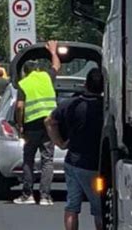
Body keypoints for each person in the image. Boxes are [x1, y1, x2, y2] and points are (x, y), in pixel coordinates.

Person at [44, 68, 104, 230]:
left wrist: (60, 143)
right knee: (100, 209)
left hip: (72, 162)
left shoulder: (70, 104)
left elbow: (49, 121)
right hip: (94, 166)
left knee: (72, 205)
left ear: (85, 85)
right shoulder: (105, 108)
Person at [13, 40, 61, 206]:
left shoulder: (24, 83)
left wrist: (20, 124)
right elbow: (56, 66)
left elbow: (19, 106)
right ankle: (45, 197)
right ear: (38, 69)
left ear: (25, 72)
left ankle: (28, 195)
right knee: (47, 160)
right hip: (49, 123)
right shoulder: (46, 77)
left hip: (32, 125)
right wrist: (53, 52)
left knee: (29, 159)